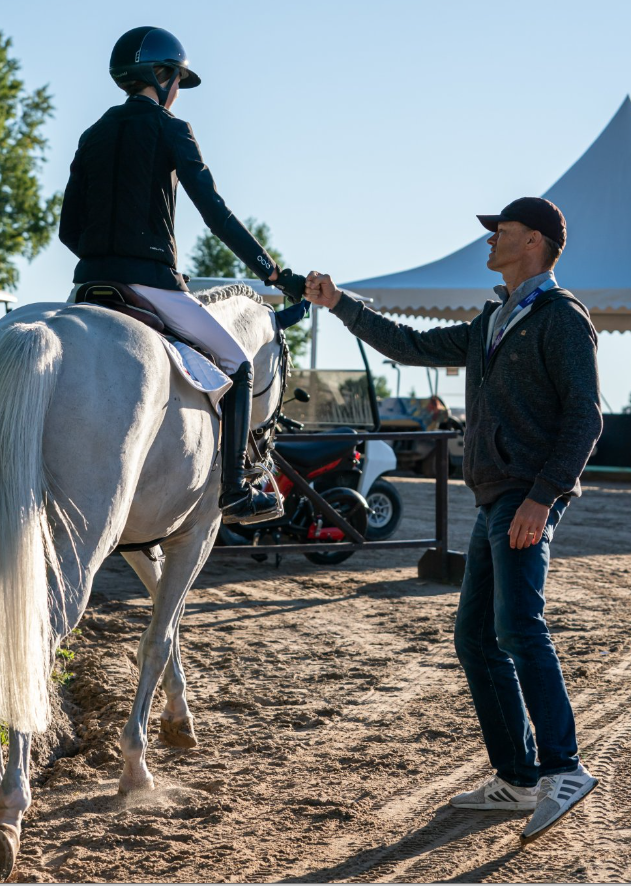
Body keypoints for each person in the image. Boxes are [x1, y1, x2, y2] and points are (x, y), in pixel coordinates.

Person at [303, 197, 602, 843]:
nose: (490, 241)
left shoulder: (561, 318)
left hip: (524, 498)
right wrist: (340, 304)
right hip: (494, 498)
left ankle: (565, 768)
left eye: (501, 233)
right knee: (476, 638)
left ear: (535, 242)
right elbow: (409, 344)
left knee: (519, 629)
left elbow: (586, 417)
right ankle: (519, 779)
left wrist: (542, 497)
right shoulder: (495, 316)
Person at [59, 26, 306, 524]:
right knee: (239, 367)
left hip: (86, 285)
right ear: (164, 75)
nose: (177, 92)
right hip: (148, 282)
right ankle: (236, 489)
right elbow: (215, 215)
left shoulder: (92, 133)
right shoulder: (173, 129)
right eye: (177, 81)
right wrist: (273, 274)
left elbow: (69, 229)